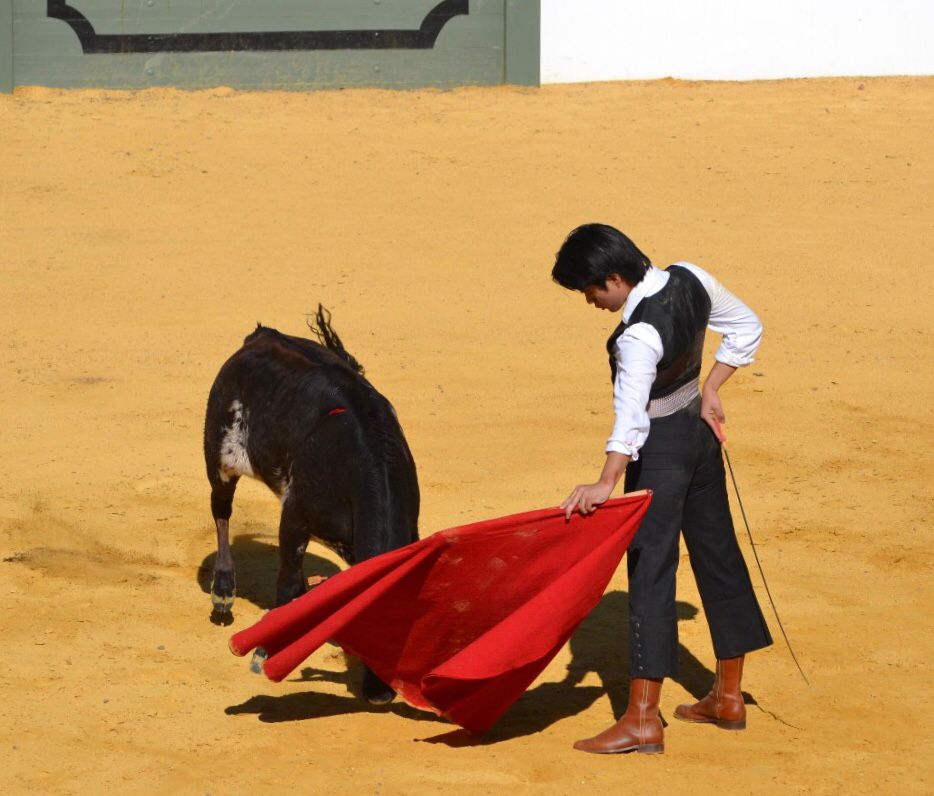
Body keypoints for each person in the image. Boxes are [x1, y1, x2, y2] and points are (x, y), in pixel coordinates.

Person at [552, 223, 773, 755]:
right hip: (700, 436)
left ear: (614, 277)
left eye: (590, 290)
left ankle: (642, 720)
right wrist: (711, 387)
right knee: (718, 554)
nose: (590, 301)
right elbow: (747, 326)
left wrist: (606, 480)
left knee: (651, 570)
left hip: (662, 454)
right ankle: (728, 697)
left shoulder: (637, 337)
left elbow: (631, 419)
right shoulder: (690, 277)